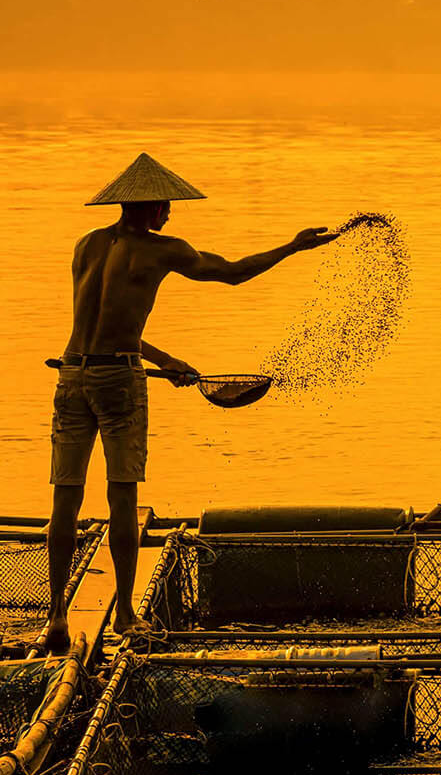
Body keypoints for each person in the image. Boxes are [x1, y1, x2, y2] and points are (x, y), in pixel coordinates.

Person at [45, 152, 339, 652]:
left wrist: (170, 360)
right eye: (167, 205)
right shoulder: (162, 251)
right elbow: (233, 273)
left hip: (72, 375)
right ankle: (124, 615)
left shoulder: (87, 245)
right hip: (117, 384)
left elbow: (103, 329)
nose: (170, 213)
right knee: (123, 497)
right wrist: (293, 246)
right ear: (152, 204)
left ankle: (54, 618)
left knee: (64, 499)